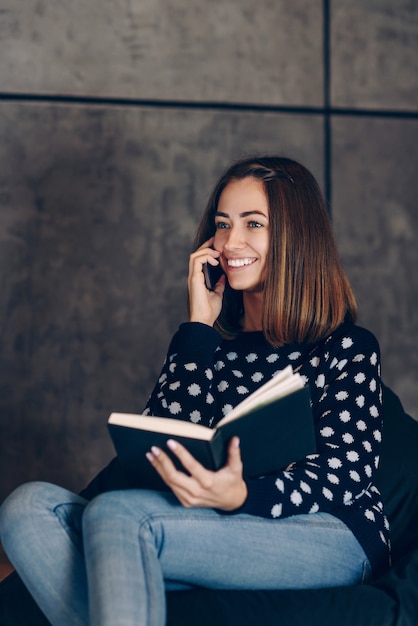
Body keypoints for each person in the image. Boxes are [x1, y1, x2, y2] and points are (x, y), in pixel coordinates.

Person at [0, 155, 390, 626]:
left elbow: (344, 476)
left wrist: (242, 495)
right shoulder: (207, 346)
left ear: (295, 236)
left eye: (253, 224)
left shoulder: (346, 346)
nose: (230, 242)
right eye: (222, 224)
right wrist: (197, 325)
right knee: (25, 508)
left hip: (329, 532)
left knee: (119, 516)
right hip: (215, 520)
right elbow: (162, 444)